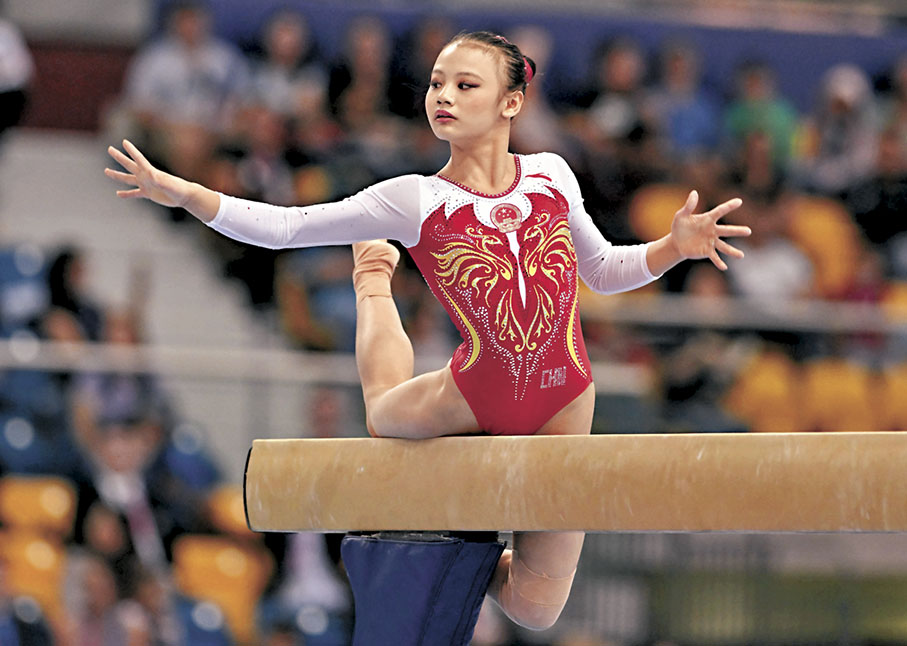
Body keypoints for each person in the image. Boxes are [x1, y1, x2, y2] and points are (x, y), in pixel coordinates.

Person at [106, 30, 749, 631]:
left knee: (535, 608)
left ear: (511, 102)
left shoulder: (553, 173)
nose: (443, 96)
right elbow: (285, 227)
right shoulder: (414, 199)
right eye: (437, 83)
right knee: (383, 416)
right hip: (478, 391)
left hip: (563, 397)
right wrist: (187, 193)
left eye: (465, 85)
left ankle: (462, 548)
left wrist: (671, 246)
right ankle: (372, 277)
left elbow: (603, 270)